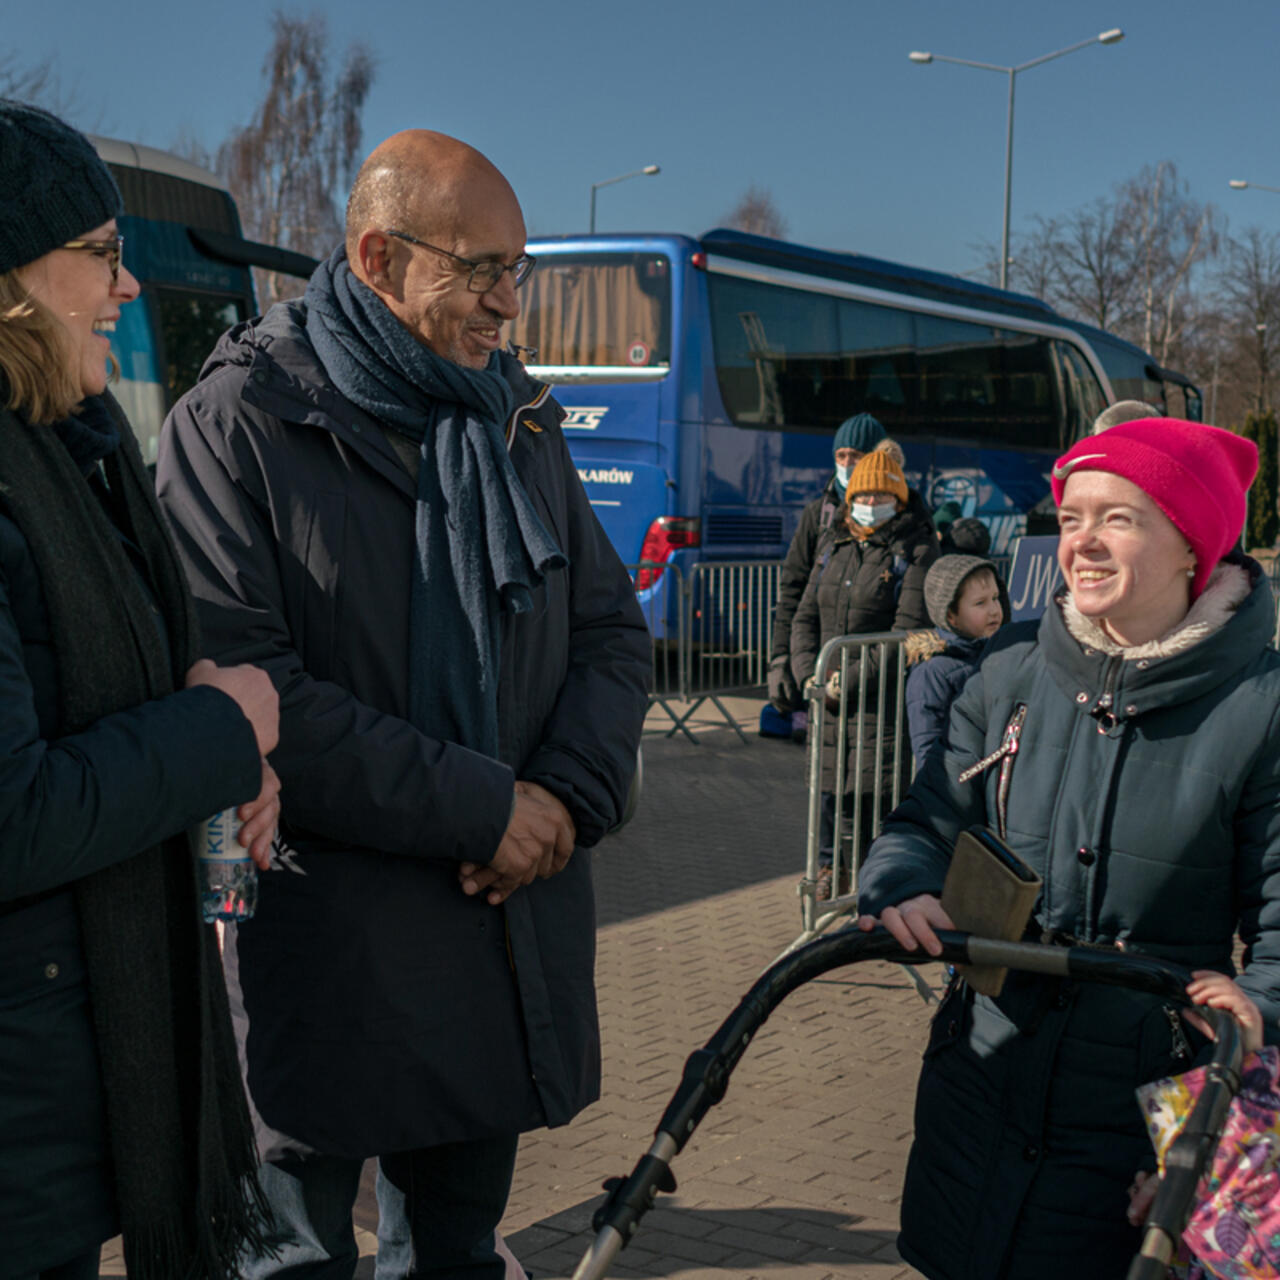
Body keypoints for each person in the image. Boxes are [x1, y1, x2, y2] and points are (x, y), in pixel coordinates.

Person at [156, 128, 652, 1278]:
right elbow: (252, 693)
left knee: (457, 1252)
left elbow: (609, 633)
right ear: (379, 257)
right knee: (292, 1257)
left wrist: (562, 797)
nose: (508, 304)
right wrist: (486, 809)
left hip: (494, 941)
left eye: (517, 269)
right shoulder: (237, 421)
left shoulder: (516, 420)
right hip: (322, 960)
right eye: (481, 270)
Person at [855, 417, 1280, 1279]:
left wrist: (1258, 1013)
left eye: (1117, 518)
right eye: (1072, 516)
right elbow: (931, 818)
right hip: (979, 1085)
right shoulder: (1010, 668)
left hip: (1145, 1118)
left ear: (1191, 543)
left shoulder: (1261, 709)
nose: (1080, 542)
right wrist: (900, 880)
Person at [0, 100, 280, 1280]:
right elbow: (13, 813)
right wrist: (220, 726)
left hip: (51, 1084)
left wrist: (215, 734)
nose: (127, 286)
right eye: (102, 253)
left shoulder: (78, 451)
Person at [790, 448, 937, 900]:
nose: (870, 503)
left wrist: (845, 682)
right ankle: (831, 873)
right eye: (862, 495)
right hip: (827, 700)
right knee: (830, 795)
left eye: (881, 495)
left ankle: (874, 893)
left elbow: (905, 632)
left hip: (878, 706)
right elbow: (804, 616)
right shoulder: (833, 544)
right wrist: (809, 674)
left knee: (873, 803)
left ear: (899, 498)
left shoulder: (917, 549)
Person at [767, 411, 886, 720]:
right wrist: (781, 658)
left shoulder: (895, 512)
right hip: (819, 664)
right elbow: (792, 589)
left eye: (855, 455)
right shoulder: (818, 514)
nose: (847, 463)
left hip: (874, 681)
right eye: (840, 455)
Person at [904, 555, 1005, 767]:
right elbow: (927, 743)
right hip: (957, 778)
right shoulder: (932, 671)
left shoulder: (999, 656)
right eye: (980, 603)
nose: (994, 610)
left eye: (996, 598)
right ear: (951, 615)